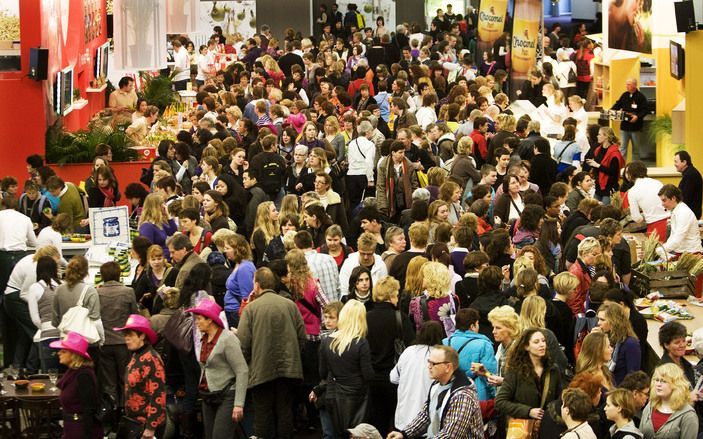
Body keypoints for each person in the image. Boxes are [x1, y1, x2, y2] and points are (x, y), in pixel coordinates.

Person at [238, 267, 307, 439]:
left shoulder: (251, 309)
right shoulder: (290, 305)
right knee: (285, 412)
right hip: (289, 370)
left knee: (262, 415)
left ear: (257, 284)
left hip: (261, 370)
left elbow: (243, 344)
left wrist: (249, 364)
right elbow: (302, 337)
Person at [387, 345, 484, 438]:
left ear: (448, 367)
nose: (429, 366)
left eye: (433, 364)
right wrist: (404, 434)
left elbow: (451, 435)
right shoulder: (436, 385)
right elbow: (425, 415)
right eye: (428, 362)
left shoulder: (463, 396)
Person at [186, 299, 248, 439]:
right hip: (208, 396)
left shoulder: (228, 339)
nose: (196, 322)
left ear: (210, 320)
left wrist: (239, 404)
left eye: (199, 319)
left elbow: (242, 370)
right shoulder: (204, 339)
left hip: (227, 395)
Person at [365, 276, 415, 435]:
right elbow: (411, 346)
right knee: (397, 423)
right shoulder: (400, 318)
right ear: (392, 295)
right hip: (396, 378)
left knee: (377, 421)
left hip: (372, 377)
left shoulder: (366, 317)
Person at [318, 300, 375, 436]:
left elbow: (322, 372)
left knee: (337, 433)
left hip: (334, 395)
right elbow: (368, 375)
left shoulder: (327, 342)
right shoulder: (361, 343)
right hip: (357, 397)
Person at [495, 328, 563, 426]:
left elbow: (559, 398)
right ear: (526, 346)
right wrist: (528, 411)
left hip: (547, 427)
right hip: (522, 427)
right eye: (536, 342)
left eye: (543, 341)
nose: (542, 344)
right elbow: (500, 402)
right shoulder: (515, 371)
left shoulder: (553, 369)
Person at [114, 314, 167, 438]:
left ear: (142, 336)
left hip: (147, 425)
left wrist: (150, 427)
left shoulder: (151, 359)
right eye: (125, 335)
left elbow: (158, 395)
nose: (126, 339)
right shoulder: (136, 355)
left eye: (130, 335)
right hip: (135, 422)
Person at [96, 261, 138, 406]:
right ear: (119, 274)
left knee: (109, 383)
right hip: (123, 342)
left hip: (105, 343)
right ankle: (126, 414)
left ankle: (111, 414)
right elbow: (134, 316)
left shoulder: (97, 293)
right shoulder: (128, 292)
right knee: (125, 380)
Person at [390, 321, 444, 431]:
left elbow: (393, 378)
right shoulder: (441, 356)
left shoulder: (408, 352)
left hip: (404, 418)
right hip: (427, 420)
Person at [50, 332, 102, 438]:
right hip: (72, 427)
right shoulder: (73, 371)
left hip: (81, 430)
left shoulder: (84, 375)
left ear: (73, 354)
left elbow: (89, 408)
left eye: (63, 351)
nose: (59, 353)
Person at [443, 308, 497, 401]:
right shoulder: (484, 345)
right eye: (477, 323)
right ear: (472, 326)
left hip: (449, 393)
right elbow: (490, 375)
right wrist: (495, 396)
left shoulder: (445, 343)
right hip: (477, 395)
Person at [52, 255, 104, 345]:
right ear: (86, 272)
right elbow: (96, 320)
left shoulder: (58, 290)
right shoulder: (90, 291)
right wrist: (101, 339)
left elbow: (55, 321)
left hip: (66, 341)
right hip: (86, 342)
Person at [640, 363, 699, 439]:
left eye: (664, 381)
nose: (658, 384)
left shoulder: (688, 415)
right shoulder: (650, 406)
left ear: (676, 385)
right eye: (657, 380)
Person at [595, 302, 641, 385]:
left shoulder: (630, 344)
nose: (598, 323)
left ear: (614, 321)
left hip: (619, 392)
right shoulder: (605, 338)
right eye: (598, 319)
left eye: (602, 320)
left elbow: (633, 377)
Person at [626, 161, 669, 242]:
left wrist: (644, 214)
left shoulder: (632, 191)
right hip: (671, 221)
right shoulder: (657, 182)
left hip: (655, 227)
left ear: (630, 175)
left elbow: (637, 218)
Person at [658, 184, 703, 255]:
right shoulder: (676, 210)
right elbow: (673, 236)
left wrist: (661, 249)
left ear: (673, 198)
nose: (662, 204)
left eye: (664, 200)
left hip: (692, 253)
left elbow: (677, 239)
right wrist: (663, 248)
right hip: (682, 252)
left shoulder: (683, 212)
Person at [223, 233, 256, 328]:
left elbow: (246, 297)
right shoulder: (238, 264)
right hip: (232, 311)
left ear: (237, 250)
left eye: (228, 248)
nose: (225, 251)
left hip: (237, 313)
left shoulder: (245, 267)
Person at [610, 78, 648, 160]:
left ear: (634, 85)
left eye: (629, 84)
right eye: (626, 84)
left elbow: (645, 110)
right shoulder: (624, 95)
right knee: (622, 148)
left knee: (636, 149)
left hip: (636, 128)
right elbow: (618, 104)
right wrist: (611, 111)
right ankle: (621, 167)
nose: (626, 86)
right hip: (624, 127)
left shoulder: (641, 97)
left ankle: (635, 168)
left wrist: (637, 116)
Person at [586, 127, 624, 204]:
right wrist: (592, 164)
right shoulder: (598, 150)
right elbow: (597, 167)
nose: (597, 136)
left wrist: (598, 166)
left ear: (606, 136)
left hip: (609, 187)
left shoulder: (614, 153)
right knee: (594, 209)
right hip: (599, 186)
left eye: (599, 134)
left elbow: (613, 172)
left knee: (605, 210)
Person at [139, 193, 178, 260]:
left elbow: (172, 231)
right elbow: (148, 250)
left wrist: (168, 215)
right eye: (162, 203)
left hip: (166, 258)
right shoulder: (147, 227)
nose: (165, 206)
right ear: (155, 207)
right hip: (159, 261)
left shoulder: (158, 222)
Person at [656, 321, 695, 387]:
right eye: (677, 342)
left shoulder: (684, 363)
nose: (682, 345)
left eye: (684, 340)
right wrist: (689, 397)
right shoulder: (664, 371)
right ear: (666, 345)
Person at [674, 151, 702, 219]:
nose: (674, 164)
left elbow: (685, 198)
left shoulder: (690, 175)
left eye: (676, 161)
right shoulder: (690, 173)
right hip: (690, 213)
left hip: (690, 215)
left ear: (684, 162)